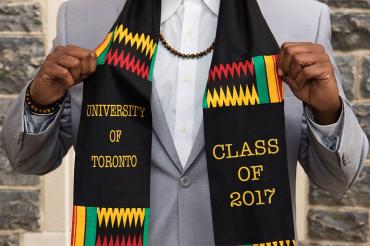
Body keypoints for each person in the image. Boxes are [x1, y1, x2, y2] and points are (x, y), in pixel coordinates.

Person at [2, 0, 369, 245]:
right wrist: (39, 101)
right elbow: (30, 160)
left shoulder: (301, 17)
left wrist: (327, 112)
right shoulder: (82, 16)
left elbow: (337, 179)